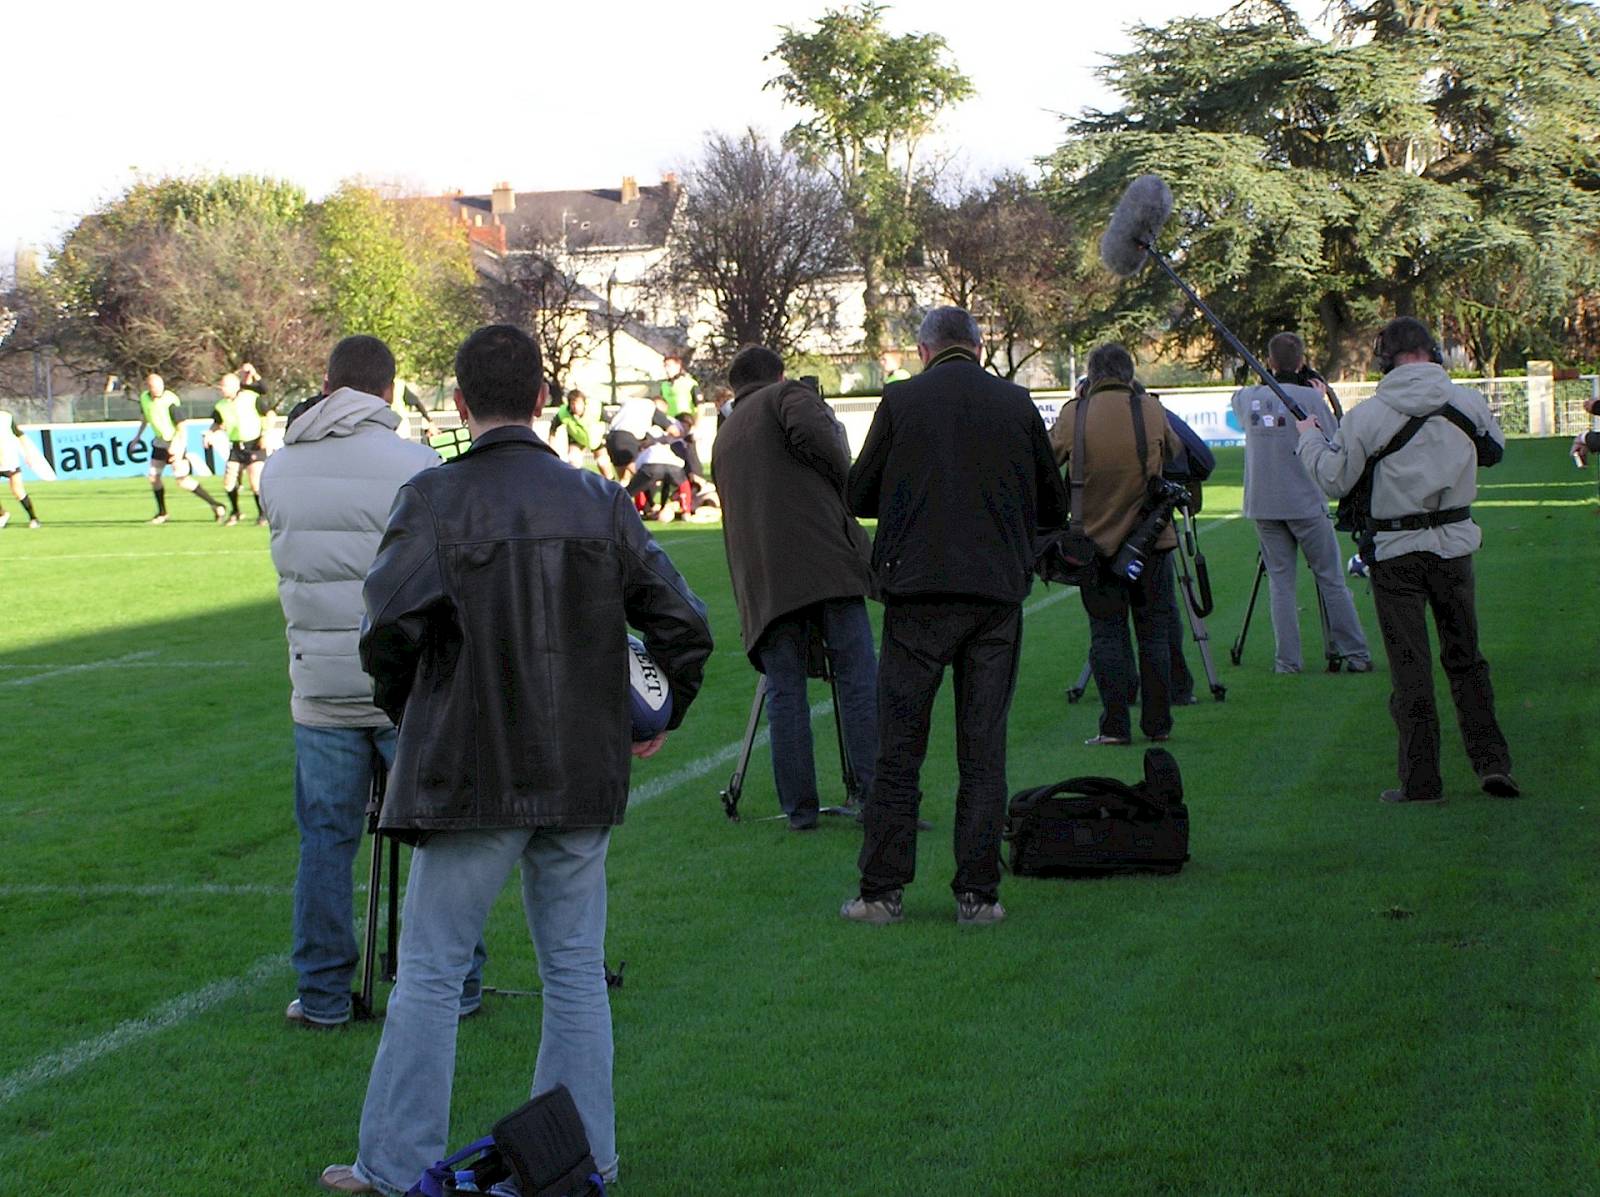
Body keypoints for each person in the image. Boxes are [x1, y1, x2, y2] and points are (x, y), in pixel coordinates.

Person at [319, 324, 713, 1195]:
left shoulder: (436, 498)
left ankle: (394, 1164)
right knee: (572, 970)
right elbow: (682, 622)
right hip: (575, 769)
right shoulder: (596, 500)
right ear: (541, 399)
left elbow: (384, 632)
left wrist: (416, 712)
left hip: (470, 771)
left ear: (461, 403)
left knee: (431, 970)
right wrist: (660, 707)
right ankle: (587, 1157)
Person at [260, 335, 486, 1030]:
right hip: (405, 683)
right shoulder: (417, 465)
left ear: (328, 384)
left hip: (319, 683)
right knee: (440, 835)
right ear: (388, 390)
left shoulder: (279, 467)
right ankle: (456, 982)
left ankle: (323, 994)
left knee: (325, 844)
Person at [843, 306, 1066, 926]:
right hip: (994, 594)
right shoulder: (1016, 402)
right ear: (979, 347)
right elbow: (1053, 503)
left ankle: (882, 892)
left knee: (899, 750)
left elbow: (859, 493)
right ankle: (977, 895)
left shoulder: (901, 400)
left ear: (923, 350)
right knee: (982, 751)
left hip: (918, 593)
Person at [1294, 316, 1516, 805]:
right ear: (1432, 353)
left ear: (1385, 359)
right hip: (1454, 545)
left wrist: (1308, 437)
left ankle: (1421, 781)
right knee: (1467, 659)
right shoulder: (1467, 403)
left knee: (1410, 668)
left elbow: (1334, 479)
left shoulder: (1367, 417)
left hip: (1396, 552)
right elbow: (1494, 451)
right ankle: (1492, 763)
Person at [715, 344, 878, 831]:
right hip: (824, 560)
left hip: (763, 580)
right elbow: (831, 452)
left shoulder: (725, 433)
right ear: (778, 374)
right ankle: (877, 797)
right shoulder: (786, 396)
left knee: (785, 694)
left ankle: (800, 811)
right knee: (856, 678)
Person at [1049, 345, 1178, 747]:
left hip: (1094, 544)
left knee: (1107, 635)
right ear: (1129, 374)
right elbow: (1177, 451)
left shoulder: (1075, 413)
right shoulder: (1150, 409)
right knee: (1155, 635)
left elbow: (1047, 459)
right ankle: (1158, 723)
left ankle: (1115, 726)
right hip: (1150, 541)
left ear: (1091, 374)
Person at [1232, 332, 1372, 674]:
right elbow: (1334, 437)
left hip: (1263, 503)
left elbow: (1239, 398)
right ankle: (1355, 653)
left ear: (1269, 362)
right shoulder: (1310, 398)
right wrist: (1318, 397)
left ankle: (1287, 662)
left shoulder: (1249, 398)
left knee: (1280, 584)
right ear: (1301, 362)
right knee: (1330, 579)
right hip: (1306, 501)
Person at [128, 373, 227, 523]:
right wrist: (137, 437)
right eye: (155, 387)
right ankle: (162, 513)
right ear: (148, 387)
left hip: (175, 441)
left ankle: (216, 505)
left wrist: (178, 446)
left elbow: (182, 425)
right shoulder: (144, 398)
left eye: (160, 386)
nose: (158, 389)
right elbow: (146, 417)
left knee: (182, 480)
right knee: (153, 477)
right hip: (159, 443)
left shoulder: (170, 401)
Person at [209, 365, 272, 526]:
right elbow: (217, 423)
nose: (221, 389)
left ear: (235, 386)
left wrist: (265, 434)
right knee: (228, 483)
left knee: (255, 482)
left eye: (224, 386)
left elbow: (270, 414)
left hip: (254, 444)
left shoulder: (251, 397)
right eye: (220, 386)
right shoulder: (221, 405)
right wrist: (210, 434)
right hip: (236, 446)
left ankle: (263, 514)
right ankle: (236, 512)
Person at [0, 409, 41, 528]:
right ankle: (2, 515)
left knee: (17, 491)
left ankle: (33, 518)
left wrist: (28, 454)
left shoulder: (5, 417)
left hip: (8, 459)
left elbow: (20, 435)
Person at [659, 353, 699, 419]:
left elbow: (701, 405)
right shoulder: (664, 385)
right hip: (669, 421)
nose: (666, 369)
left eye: (668, 366)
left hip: (686, 421)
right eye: (665, 366)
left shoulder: (689, 383)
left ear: (678, 366)